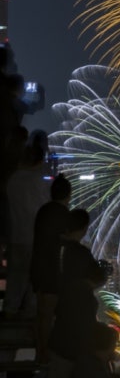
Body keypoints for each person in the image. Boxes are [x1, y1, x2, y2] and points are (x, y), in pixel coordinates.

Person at [3, 131, 51, 316]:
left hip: (16, 236)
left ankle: (10, 310)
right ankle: (30, 312)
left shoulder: (13, 180)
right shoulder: (39, 182)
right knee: (33, 280)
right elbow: (45, 206)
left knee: (16, 277)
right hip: (35, 238)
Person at [30, 173, 72, 362]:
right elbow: (66, 242)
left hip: (37, 268)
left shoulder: (43, 211)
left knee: (41, 314)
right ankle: (44, 352)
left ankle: (40, 349)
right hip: (51, 272)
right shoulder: (62, 214)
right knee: (48, 315)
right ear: (68, 195)